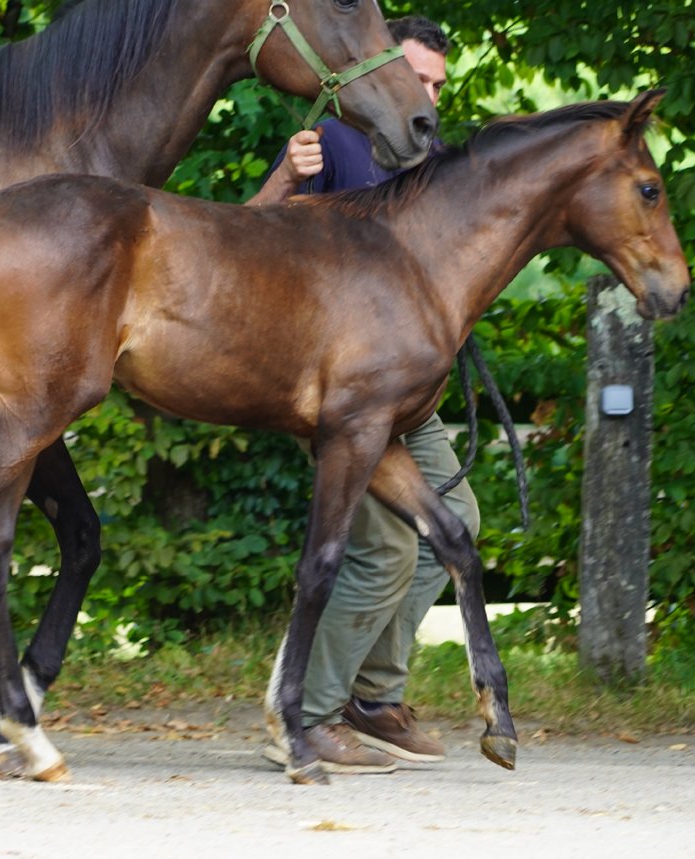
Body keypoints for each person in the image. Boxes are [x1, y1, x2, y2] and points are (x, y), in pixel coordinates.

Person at [247, 16, 480, 774]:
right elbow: (243, 241)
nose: (429, 96)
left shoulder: (430, 156)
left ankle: (372, 695)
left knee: (459, 521)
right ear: (383, 71)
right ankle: (309, 710)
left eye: (439, 85)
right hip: (347, 391)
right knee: (386, 546)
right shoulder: (332, 139)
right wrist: (288, 177)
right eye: (419, 79)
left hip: (410, 388)